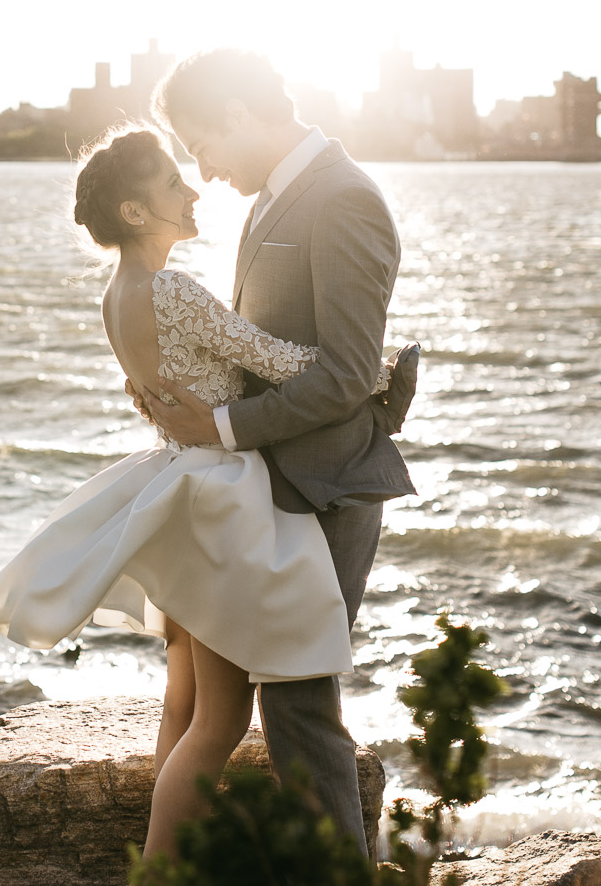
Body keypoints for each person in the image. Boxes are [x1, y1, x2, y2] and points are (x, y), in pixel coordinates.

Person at [0, 124, 412, 861]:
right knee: (219, 719)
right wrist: (377, 369)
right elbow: (273, 358)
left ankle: (166, 867)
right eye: (174, 184)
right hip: (218, 499)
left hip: (174, 484)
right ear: (137, 213)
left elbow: (162, 380)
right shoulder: (173, 290)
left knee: (182, 701)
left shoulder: (119, 294)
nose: (193, 189)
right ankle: (159, 870)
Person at [137, 48, 414, 855]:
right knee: (266, 693)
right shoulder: (276, 197)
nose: (202, 167)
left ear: (237, 112)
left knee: (296, 702)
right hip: (279, 480)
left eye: (201, 143)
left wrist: (218, 431)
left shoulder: (344, 199)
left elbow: (346, 373)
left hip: (327, 486)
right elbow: (259, 346)